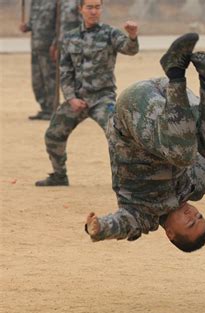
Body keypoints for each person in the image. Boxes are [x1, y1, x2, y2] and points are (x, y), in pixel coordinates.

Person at [84, 33, 205, 252]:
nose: (193, 213)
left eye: (191, 222)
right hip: (169, 95)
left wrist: (99, 228)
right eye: (199, 216)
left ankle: (177, 71)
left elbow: (124, 224)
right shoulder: (197, 183)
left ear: (170, 234)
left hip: (134, 109)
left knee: (183, 155)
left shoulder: (142, 213)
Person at [35, 0, 139, 187]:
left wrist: (132, 36)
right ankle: (59, 175)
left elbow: (129, 50)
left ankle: (124, 180)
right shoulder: (70, 37)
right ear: (80, 9)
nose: (94, 11)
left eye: (97, 7)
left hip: (103, 99)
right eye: (89, 7)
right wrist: (71, 98)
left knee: (118, 137)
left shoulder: (109, 33)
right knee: (53, 134)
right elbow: (65, 71)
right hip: (77, 99)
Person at [19, 0, 57, 120]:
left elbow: (60, 25)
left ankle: (53, 110)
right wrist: (27, 26)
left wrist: (56, 44)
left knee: (50, 80)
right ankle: (45, 108)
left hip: (49, 48)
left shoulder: (56, 2)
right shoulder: (35, 2)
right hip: (36, 48)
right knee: (37, 81)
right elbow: (34, 23)